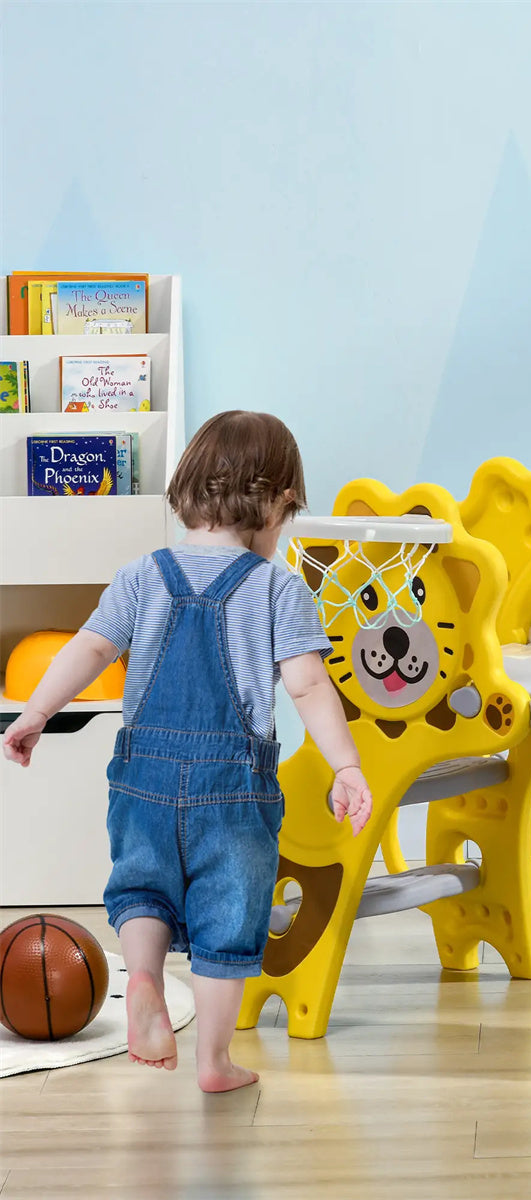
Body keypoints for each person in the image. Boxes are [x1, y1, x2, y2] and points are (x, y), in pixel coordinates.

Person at [2, 410, 372, 1093]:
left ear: (187, 492)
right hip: (231, 790)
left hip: (142, 779)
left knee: (142, 888)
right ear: (280, 502)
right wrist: (346, 763)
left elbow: (89, 648)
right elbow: (308, 682)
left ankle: (142, 978)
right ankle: (213, 1061)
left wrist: (35, 713)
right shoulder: (277, 586)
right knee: (227, 917)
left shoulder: (143, 574)